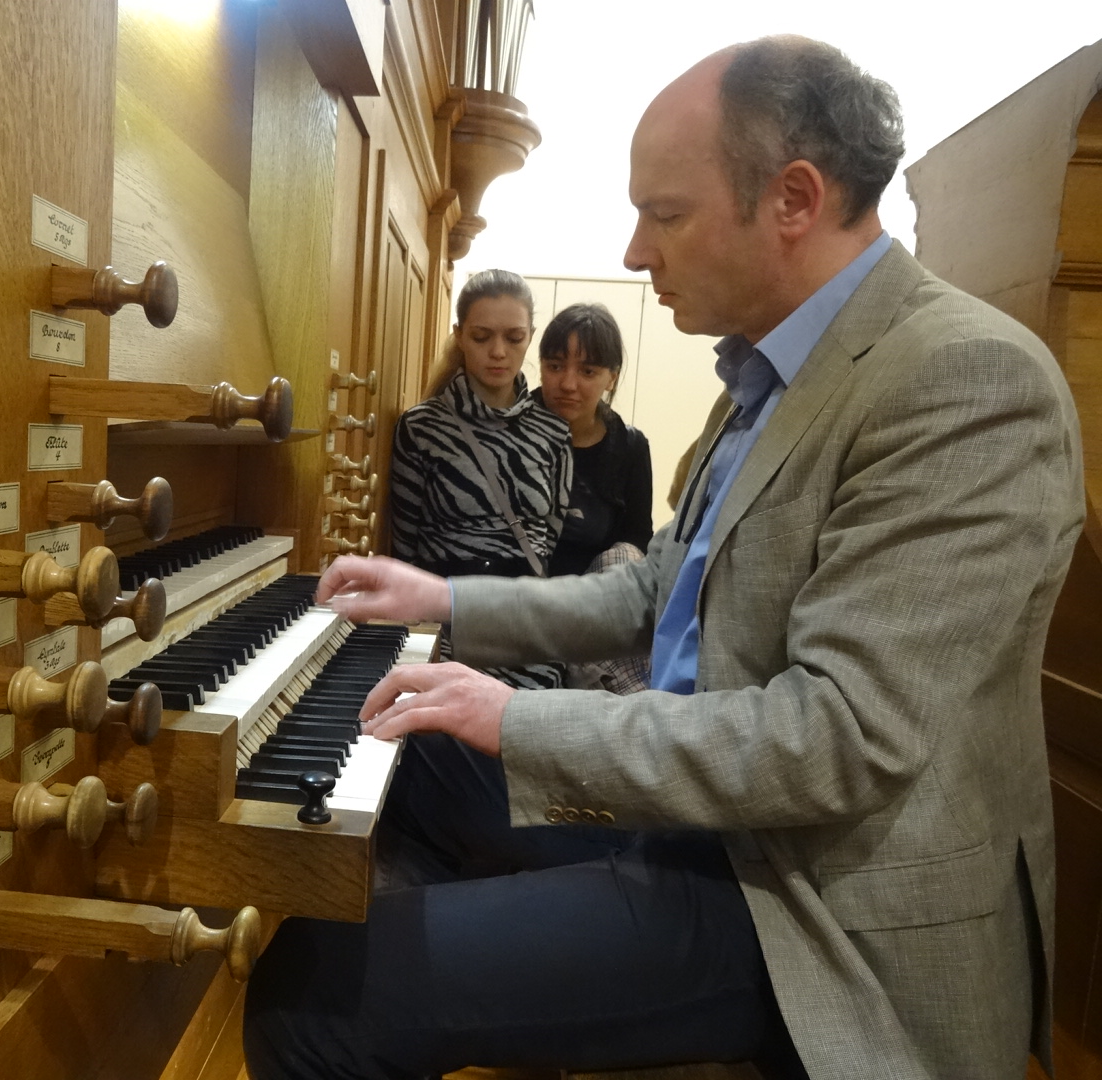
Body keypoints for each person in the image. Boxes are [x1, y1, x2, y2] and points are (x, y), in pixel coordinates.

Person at [245, 34, 1085, 1080]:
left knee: (312, 992)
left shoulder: (962, 378)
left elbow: (839, 737)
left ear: (793, 199)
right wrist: (441, 596)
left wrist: (518, 717)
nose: (636, 251)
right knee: (404, 762)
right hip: (704, 822)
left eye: (665, 214)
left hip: (811, 905)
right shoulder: (767, 374)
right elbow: (654, 592)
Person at [388, 268, 572, 690]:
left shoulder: (554, 433)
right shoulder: (421, 427)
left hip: (525, 625)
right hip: (448, 622)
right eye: (481, 336)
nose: (498, 352)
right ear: (459, 335)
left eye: (514, 337)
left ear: (531, 336)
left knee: (527, 725)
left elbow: (549, 538)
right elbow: (405, 546)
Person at [535, 302, 653, 576]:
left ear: (611, 378)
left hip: (594, 595)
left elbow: (637, 540)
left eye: (587, 372)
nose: (568, 384)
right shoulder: (511, 431)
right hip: (512, 591)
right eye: (555, 366)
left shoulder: (630, 447)